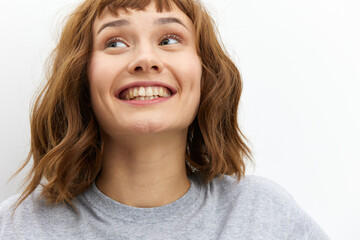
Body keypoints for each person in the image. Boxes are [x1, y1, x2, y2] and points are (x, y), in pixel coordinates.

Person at [0, 0, 329, 239]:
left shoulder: (266, 216)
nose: (145, 59)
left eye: (169, 40)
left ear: (205, 75)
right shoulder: (16, 226)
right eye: (114, 42)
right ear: (81, 79)